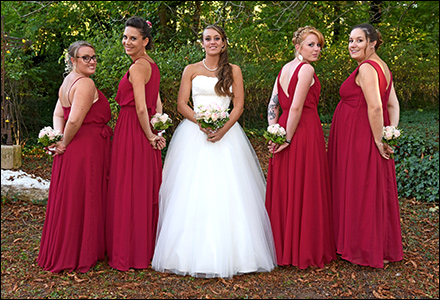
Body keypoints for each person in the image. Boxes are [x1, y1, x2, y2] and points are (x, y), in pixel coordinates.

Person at [151, 24, 277, 278]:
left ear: (224, 43)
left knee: (229, 189)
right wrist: (202, 123)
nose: (212, 42)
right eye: (207, 38)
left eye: (216, 38)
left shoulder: (233, 71)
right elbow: (181, 103)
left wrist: (222, 129)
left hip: (228, 135)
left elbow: (239, 105)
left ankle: (238, 254)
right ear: (202, 43)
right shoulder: (191, 69)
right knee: (191, 189)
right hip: (194, 134)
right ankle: (186, 253)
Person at [327, 23, 403, 268]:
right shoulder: (383, 67)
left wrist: (380, 138)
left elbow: (377, 107)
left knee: (360, 187)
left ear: (373, 43)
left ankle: (362, 248)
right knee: (371, 186)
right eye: (350, 40)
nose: (352, 45)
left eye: (359, 40)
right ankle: (376, 246)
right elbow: (393, 105)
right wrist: (390, 132)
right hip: (366, 133)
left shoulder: (368, 69)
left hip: (360, 136)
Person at [265, 26, 337, 269]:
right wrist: (286, 139)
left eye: (318, 45)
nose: (316, 49)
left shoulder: (284, 69)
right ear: (298, 46)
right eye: (311, 44)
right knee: (305, 185)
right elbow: (295, 107)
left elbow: (273, 105)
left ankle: (282, 247)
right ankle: (302, 249)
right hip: (303, 131)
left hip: (286, 127)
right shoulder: (306, 69)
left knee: (288, 185)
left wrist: (274, 131)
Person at [37, 41, 112, 273]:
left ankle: (70, 247)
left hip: (72, 148)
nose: (92, 61)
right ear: (73, 61)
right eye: (85, 58)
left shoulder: (67, 82)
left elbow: (58, 113)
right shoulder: (86, 84)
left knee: (72, 197)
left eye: (94, 57)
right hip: (84, 148)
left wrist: (58, 139)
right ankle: (80, 252)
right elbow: (75, 119)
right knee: (85, 195)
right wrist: (63, 141)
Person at [106, 17, 166, 271]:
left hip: (134, 130)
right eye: (125, 37)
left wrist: (150, 134)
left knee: (129, 187)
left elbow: (141, 106)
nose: (126, 42)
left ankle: (129, 252)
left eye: (133, 38)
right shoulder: (152, 64)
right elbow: (158, 103)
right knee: (142, 186)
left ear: (145, 41)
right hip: (144, 128)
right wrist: (158, 126)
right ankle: (146, 247)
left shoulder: (139, 67)